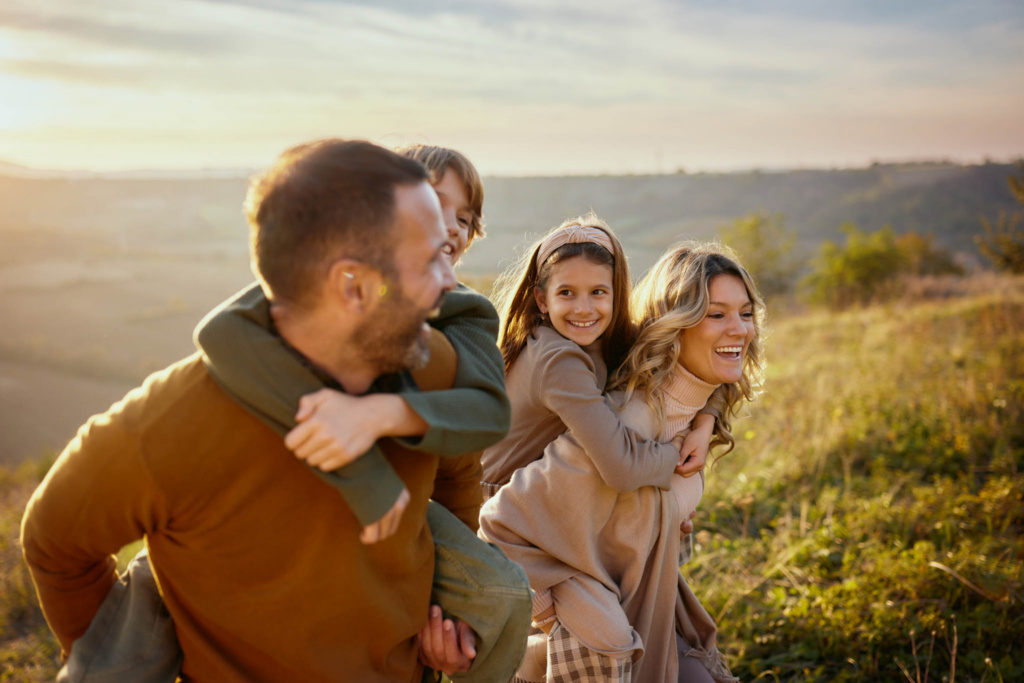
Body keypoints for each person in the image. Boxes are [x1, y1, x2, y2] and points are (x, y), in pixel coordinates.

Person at [20, 139, 527, 682]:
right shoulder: (174, 420)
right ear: (353, 286)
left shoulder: (433, 369)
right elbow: (55, 543)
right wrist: (138, 661)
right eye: (427, 261)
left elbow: (457, 477)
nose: (451, 280)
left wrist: (454, 623)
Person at [479, 243, 766, 683]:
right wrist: (551, 623)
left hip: (641, 598)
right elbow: (501, 523)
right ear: (677, 322)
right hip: (597, 623)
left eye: (745, 314)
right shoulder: (626, 426)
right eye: (716, 314)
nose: (740, 330)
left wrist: (707, 419)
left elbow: (704, 383)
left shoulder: (690, 407)